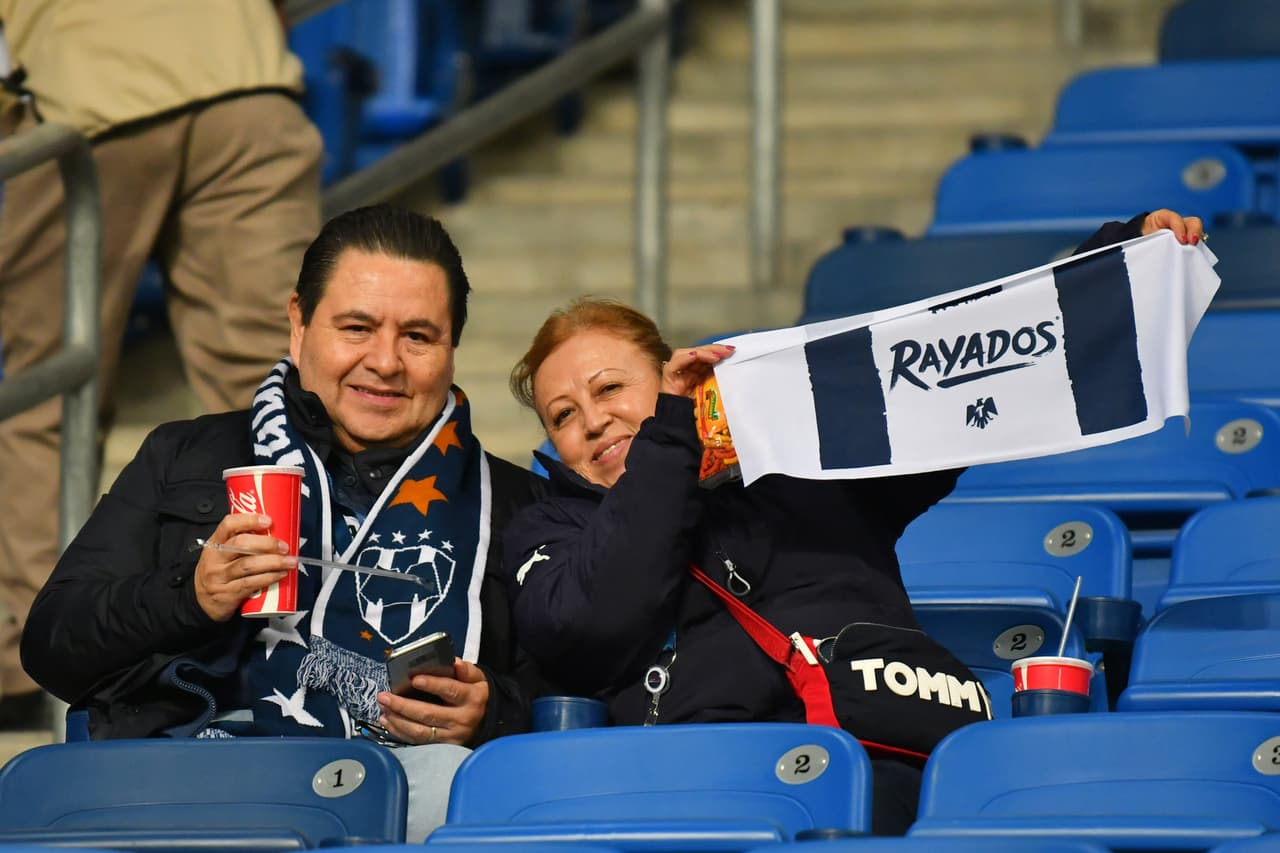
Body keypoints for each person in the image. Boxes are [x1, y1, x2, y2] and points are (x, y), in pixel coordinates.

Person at [502, 209, 1204, 835]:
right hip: (704, 796)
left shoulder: (797, 450)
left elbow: (967, 371)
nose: (593, 421)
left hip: (884, 765)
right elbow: (594, 620)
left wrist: (1119, 260)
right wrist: (671, 438)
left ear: (668, 375)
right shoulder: (545, 531)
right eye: (563, 415)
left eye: (610, 388)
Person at [21, 205, 547, 840]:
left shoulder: (515, 502)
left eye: (418, 337)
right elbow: (52, 646)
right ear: (299, 324)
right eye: (357, 328)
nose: (386, 362)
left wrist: (493, 712)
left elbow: (588, 697)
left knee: (461, 791)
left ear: (451, 351)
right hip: (189, 780)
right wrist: (190, 597)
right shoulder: (185, 455)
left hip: (402, 794)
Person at [0, 0, 323, 727]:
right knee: (273, 387)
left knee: (48, 400)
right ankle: (296, 635)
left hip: (84, 94)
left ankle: (32, 671)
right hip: (243, 80)